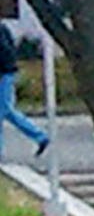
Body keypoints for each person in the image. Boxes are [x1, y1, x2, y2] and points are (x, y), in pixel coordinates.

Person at [0, 22, 48, 158]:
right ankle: (40, 136)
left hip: (3, 74)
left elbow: (5, 52)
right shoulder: (3, 28)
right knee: (7, 110)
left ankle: (40, 136)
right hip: (6, 72)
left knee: (4, 109)